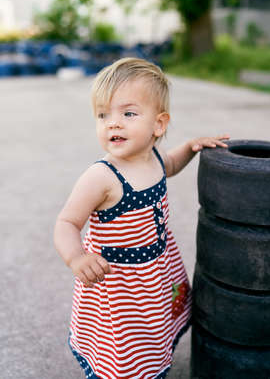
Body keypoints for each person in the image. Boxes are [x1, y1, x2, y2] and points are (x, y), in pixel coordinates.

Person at [54, 57, 229, 379]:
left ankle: (152, 363)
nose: (113, 123)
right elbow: (66, 223)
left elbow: (171, 165)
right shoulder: (102, 176)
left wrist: (191, 147)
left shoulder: (154, 158)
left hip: (155, 273)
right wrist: (76, 256)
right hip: (118, 283)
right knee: (124, 342)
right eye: (103, 115)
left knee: (152, 329)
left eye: (128, 113)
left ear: (158, 125)